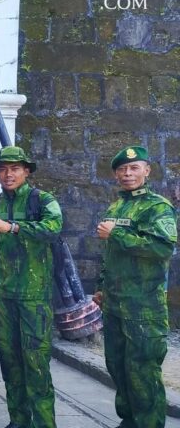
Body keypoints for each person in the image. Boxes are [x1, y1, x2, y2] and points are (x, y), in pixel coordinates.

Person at [0, 146, 62, 428]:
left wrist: (13, 226)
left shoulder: (43, 201)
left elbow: (53, 229)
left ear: (26, 171)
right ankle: (18, 420)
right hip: (4, 298)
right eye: (3, 169)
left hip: (34, 299)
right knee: (10, 363)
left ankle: (44, 424)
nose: (8, 174)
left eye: (15, 168)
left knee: (36, 365)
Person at [94, 146, 177, 428]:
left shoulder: (158, 207)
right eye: (122, 170)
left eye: (133, 168)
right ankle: (129, 421)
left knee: (143, 372)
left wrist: (117, 233)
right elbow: (109, 254)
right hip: (115, 304)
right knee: (118, 367)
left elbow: (162, 248)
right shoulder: (116, 207)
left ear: (147, 170)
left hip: (143, 307)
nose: (127, 174)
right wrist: (101, 286)